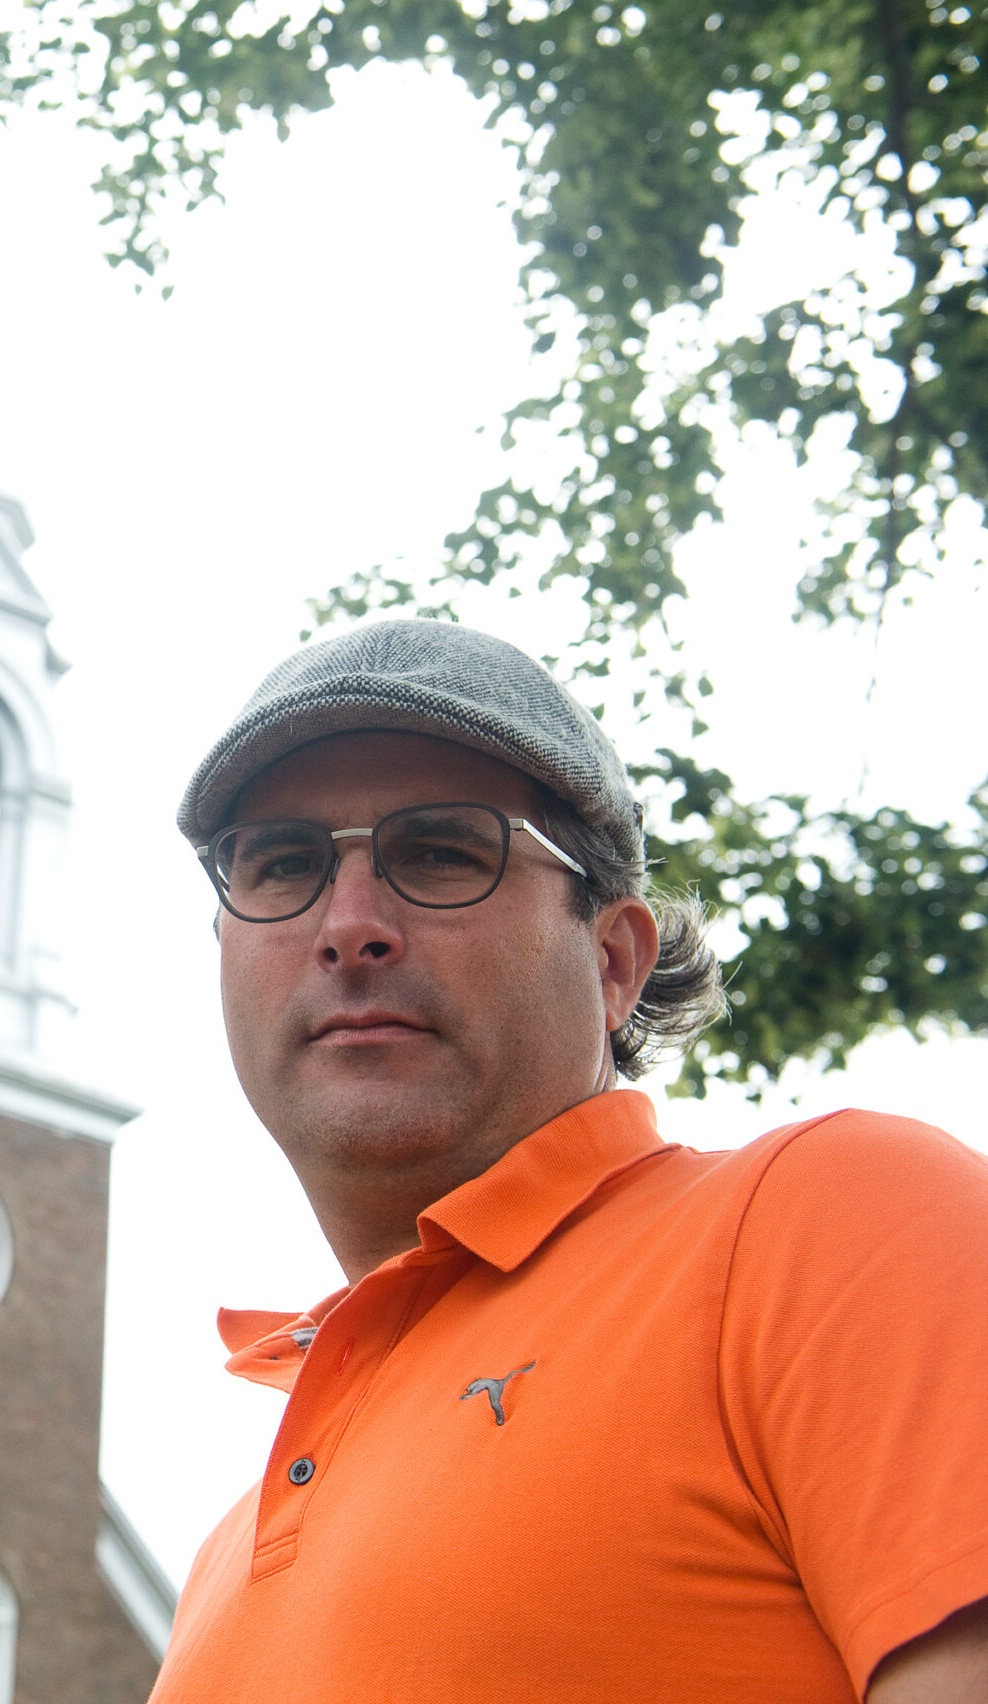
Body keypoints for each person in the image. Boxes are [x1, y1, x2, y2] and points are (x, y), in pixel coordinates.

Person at [149, 620, 988, 1703]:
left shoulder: (832, 1225)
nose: (348, 924)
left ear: (612, 961)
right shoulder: (212, 1563)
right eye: (281, 865)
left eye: (441, 852)